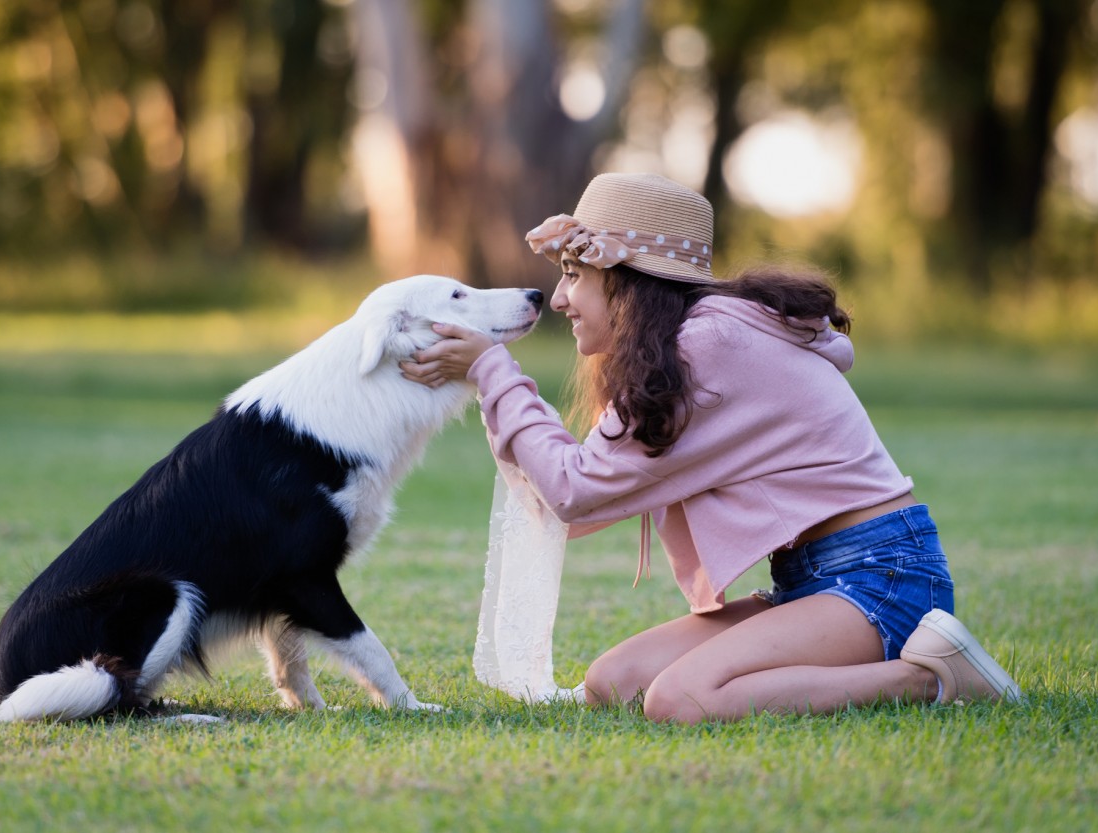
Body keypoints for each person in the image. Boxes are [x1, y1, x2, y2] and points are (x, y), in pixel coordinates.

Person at [400, 172, 1022, 723]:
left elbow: (573, 492)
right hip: (814, 579)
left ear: (628, 283)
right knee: (612, 683)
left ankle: (929, 678)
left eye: (573, 275)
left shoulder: (708, 347)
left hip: (880, 578)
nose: (559, 299)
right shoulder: (687, 347)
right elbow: (576, 501)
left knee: (680, 701)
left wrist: (494, 373)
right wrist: (490, 383)